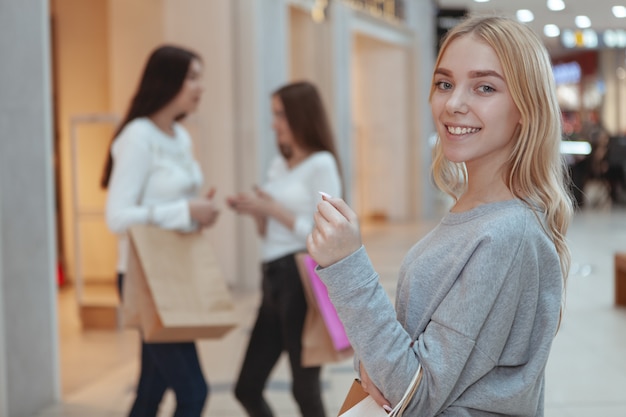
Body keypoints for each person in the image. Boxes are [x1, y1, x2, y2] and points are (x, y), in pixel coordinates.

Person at [307, 15, 573, 416]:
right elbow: (415, 368)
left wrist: (347, 267)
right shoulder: (477, 213)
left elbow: (417, 396)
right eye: (445, 84)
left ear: (526, 107)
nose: (453, 104)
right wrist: (376, 365)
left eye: (484, 87)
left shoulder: (506, 233)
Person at [102, 45, 219, 417]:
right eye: (193, 77)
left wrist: (197, 214)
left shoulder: (179, 136)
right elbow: (117, 217)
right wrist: (185, 209)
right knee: (193, 393)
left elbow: (169, 206)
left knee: (151, 390)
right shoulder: (138, 137)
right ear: (167, 80)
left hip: (174, 272)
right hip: (145, 278)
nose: (200, 87)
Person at [227, 81, 342, 417]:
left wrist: (274, 209)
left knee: (304, 389)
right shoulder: (280, 165)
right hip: (272, 276)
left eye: (280, 114)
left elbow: (329, 233)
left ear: (300, 116)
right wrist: (257, 212)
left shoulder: (322, 164)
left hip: (300, 279)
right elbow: (269, 232)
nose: (274, 123)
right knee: (246, 387)